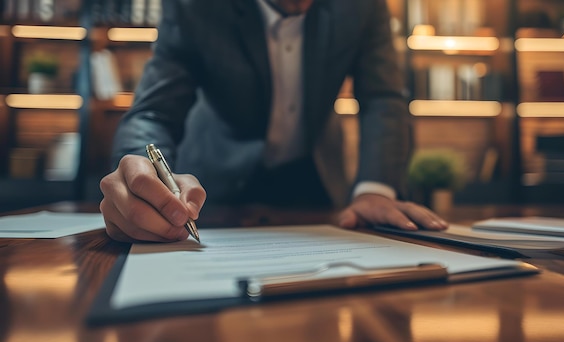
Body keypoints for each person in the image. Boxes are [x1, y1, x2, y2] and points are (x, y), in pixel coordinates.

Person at [99, 0, 449, 242]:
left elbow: (383, 98)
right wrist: (140, 175)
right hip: (212, 189)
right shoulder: (195, 6)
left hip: (315, 179)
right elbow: (153, 112)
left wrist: (375, 190)